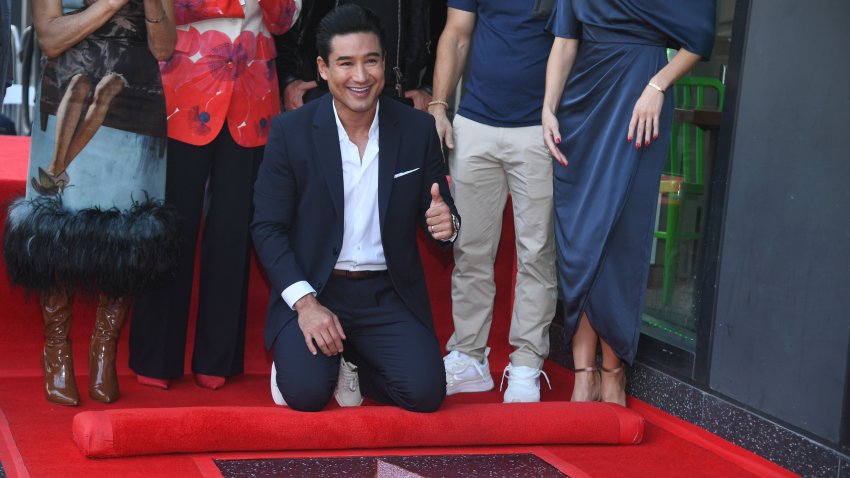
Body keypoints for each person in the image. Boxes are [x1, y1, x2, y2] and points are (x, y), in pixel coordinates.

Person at [252, 4, 459, 412]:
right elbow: (267, 228)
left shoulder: (417, 130)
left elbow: (439, 211)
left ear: (385, 64)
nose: (361, 77)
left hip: (387, 293)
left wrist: (446, 224)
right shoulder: (291, 132)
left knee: (425, 394)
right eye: (346, 63)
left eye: (371, 61)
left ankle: (353, 363)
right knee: (307, 394)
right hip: (317, 287)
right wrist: (306, 305)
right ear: (324, 68)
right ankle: (310, 367)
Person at [3, 0, 177, 406]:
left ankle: (104, 350)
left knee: (128, 233)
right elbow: (49, 38)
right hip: (68, 89)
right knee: (54, 228)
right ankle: (57, 349)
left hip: (136, 95)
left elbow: (166, 47)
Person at [542, 0, 715, 405]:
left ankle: (613, 371)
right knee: (579, 237)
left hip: (641, 103)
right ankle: (583, 372)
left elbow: (700, 38)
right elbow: (566, 41)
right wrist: (548, 108)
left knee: (622, 235)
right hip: (582, 104)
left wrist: (658, 86)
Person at [127, 0, 298, 391]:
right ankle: (156, 355)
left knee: (233, 229)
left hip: (253, 90)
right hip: (183, 83)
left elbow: (284, 19)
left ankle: (218, 356)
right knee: (170, 223)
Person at [428, 1, 557, 402]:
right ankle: (469, 357)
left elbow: (574, 44)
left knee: (536, 253)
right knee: (470, 249)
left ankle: (526, 364)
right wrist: (438, 105)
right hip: (475, 123)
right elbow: (456, 32)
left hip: (540, 128)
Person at [275, 0, 444, 112]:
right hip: (319, 91)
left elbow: (444, 28)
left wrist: (430, 88)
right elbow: (284, 15)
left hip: (402, 96)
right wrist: (288, 79)